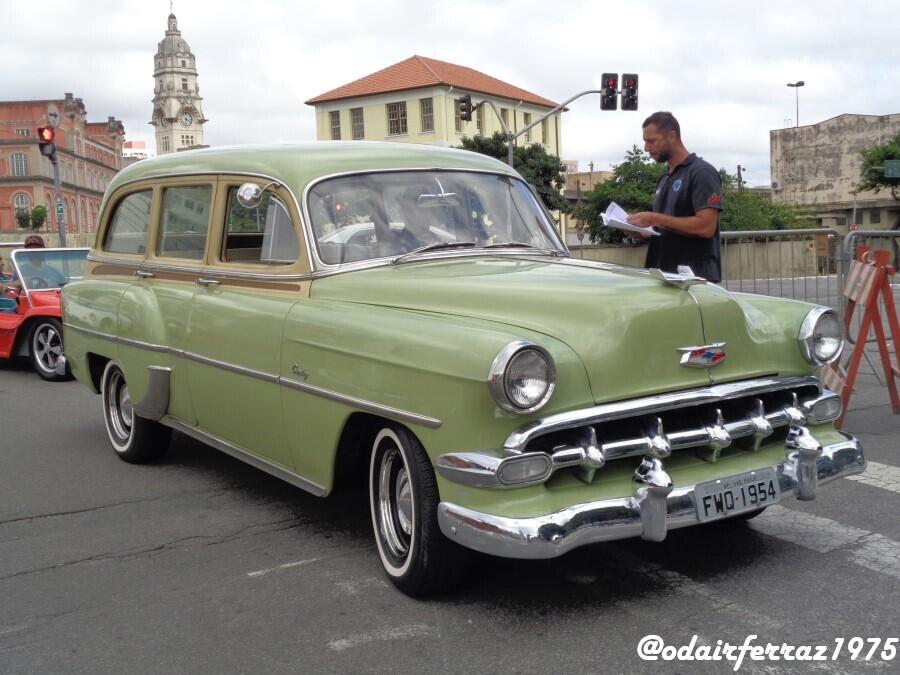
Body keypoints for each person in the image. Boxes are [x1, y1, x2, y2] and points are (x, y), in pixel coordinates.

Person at [627, 111, 723, 282]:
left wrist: (655, 218)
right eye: (645, 142)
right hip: (662, 277)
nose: (646, 148)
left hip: (692, 282)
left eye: (651, 141)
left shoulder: (702, 173)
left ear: (671, 136)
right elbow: (663, 229)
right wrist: (639, 231)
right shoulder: (664, 178)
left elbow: (706, 227)